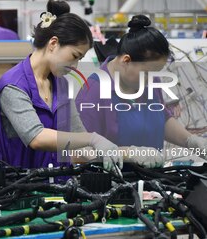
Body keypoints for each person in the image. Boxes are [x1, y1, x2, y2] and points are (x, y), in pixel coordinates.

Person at [0, 0, 122, 171]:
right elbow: (36, 137)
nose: (75, 66)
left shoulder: (62, 85)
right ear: (53, 43)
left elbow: (78, 137)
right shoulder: (14, 86)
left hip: (56, 187)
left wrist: (113, 156)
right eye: (74, 56)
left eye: (79, 59)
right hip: (16, 187)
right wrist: (93, 139)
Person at [75, 15, 206, 168]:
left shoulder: (150, 81)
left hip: (152, 182)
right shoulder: (93, 92)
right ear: (126, 61)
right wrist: (127, 154)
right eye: (148, 72)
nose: (152, 78)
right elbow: (79, 153)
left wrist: (191, 141)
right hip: (113, 185)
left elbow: (160, 118)